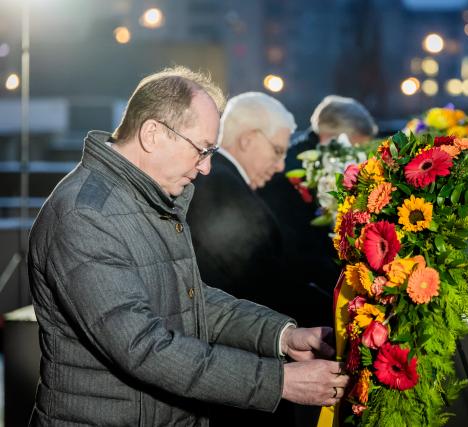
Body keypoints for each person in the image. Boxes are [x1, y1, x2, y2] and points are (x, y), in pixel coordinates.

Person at [27, 67, 349, 426]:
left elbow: (193, 302)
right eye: (201, 149)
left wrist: (282, 337)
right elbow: (144, 347)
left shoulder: (148, 199)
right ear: (152, 134)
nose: (207, 167)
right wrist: (279, 381)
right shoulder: (85, 214)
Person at [188, 91, 327, 426]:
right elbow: (260, 284)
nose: (281, 166)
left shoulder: (224, 182)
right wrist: (336, 320)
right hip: (239, 372)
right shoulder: (220, 186)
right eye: (278, 151)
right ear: (249, 139)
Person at [258, 95, 378, 326]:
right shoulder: (292, 170)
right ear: (332, 136)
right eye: (356, 147)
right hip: (290, 291)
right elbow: (301, 245)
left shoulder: (302, 156)